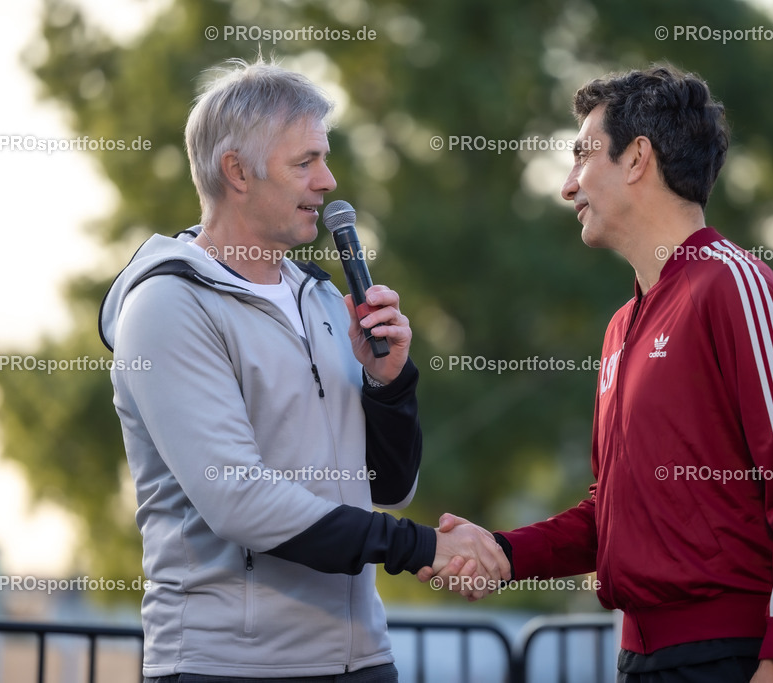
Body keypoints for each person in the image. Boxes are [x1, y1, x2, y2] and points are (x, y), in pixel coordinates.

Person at [422, 66, 773, 683]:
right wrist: (503, 553)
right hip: (643, 661)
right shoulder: (622, 327)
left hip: (739, 659)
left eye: (581, 158)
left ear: (637, 159)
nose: (568, 187)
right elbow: (612, 514)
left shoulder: (735, 285)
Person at [98, 58, 509, 682]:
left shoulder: (318, 296)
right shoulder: (167, 306)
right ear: (236, 171)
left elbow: (389, 485)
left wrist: (389, 385)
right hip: (231, 668)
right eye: (305, 162)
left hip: (363, 659)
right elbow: (240, 501)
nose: (328, 180)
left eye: (325, 157)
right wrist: (423, 549)